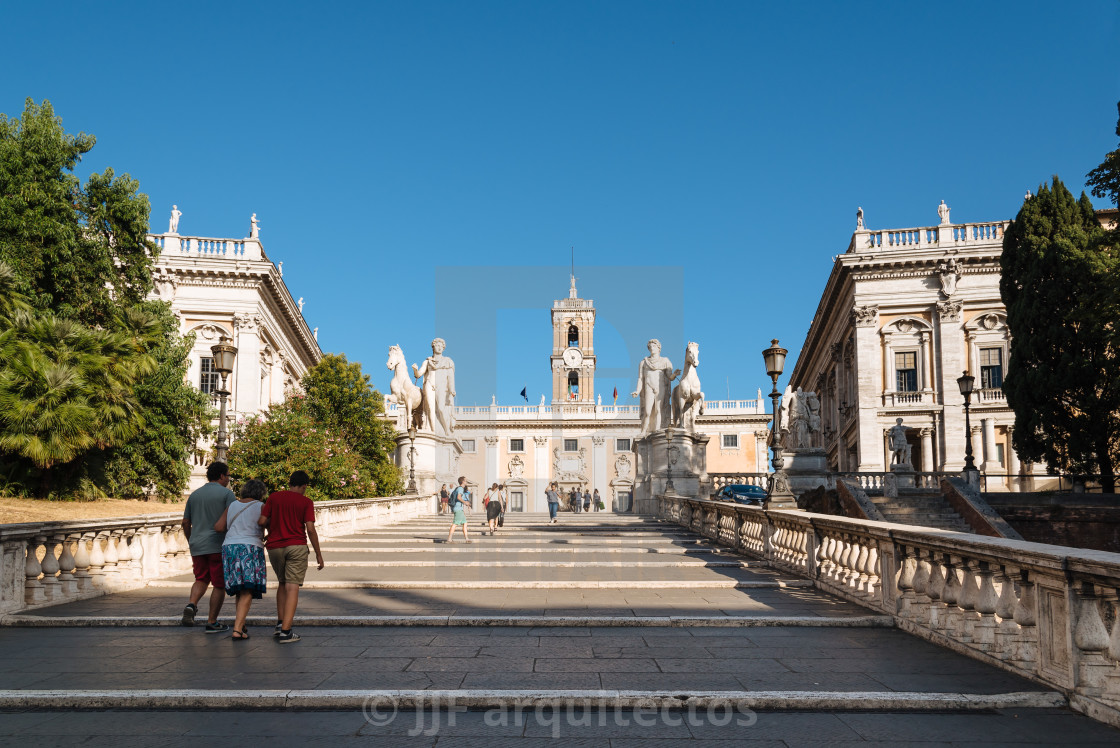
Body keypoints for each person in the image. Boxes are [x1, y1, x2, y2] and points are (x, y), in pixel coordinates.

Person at [258, 470, 324, 644]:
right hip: (296, 546)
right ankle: (286, 632)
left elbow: (261, 521)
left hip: (275, 547)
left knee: (281, 583)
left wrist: (272, 531)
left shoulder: (274, 497)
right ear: (303, 486)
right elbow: (310, 529)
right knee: (292, 586)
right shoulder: (306, 502)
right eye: (305, 488)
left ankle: (280, 623)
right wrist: (318, 553)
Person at [181, 462, 236, 632]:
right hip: (218, 545)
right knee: (219, 584)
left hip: (197, 544)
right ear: (221, 476)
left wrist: (191, 539)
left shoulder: (195, 495)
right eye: (227, 475)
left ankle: (192, 604)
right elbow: (234, 518)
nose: (228, 479)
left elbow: (185, 522)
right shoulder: (227, 494)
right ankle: (212, 621)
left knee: (201, 579)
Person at [214, 479, 268, 640]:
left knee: (240, 588)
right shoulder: (261, 506)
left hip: (229, 547)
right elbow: (267, 524)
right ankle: (237, 629)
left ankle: (241, 623)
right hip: (250, 547)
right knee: (248, 589)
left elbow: (218, 527)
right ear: (260, 493)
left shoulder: (232, 506)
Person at [446, 476, 472, 543]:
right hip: (458, 508)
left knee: (465, 523)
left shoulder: (459, 488)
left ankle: (467, 538)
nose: (466, 482)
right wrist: (465, 502)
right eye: (465, 481)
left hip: (459, 508)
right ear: (463, 481)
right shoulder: (460, 489)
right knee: (455, 523)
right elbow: (459, 497)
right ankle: (449, 538)